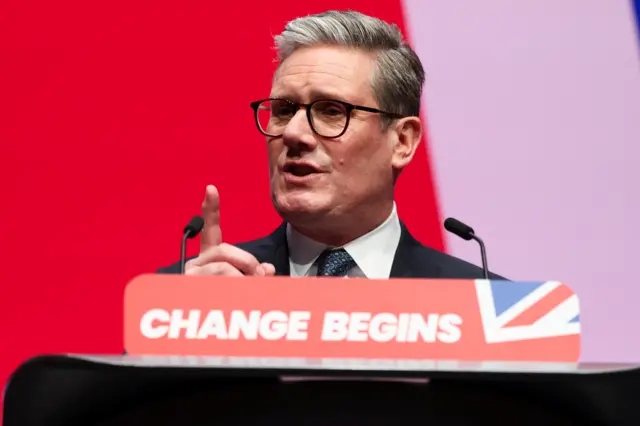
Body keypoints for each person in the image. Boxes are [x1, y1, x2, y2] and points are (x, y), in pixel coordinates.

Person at [158, 10, 502, 280]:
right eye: (283, 110)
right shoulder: (191, 294)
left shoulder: (485, 309)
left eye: (332, 112)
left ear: (402, 141)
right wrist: (188, 333)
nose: (294, 133)